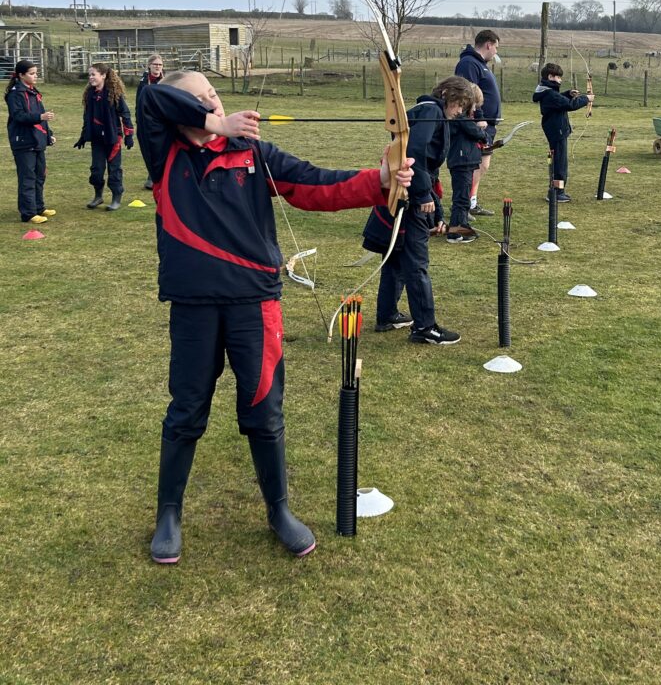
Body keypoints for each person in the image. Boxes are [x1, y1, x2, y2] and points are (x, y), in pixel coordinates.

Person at [137, 70, 414, 563]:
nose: (215, 104)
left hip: (254, 303)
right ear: (182, 112)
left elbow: (313, 185)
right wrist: (217, 126)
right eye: (201, 100)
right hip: (194, 304)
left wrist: (381, 181)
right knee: (186, 412)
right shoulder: (164, 152)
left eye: (215, 94)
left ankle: (279, 510)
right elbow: (153, 98)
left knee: (264, 410)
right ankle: (169, 514)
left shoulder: (254, 155)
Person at [364, 75, 476, 345]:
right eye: (460, 104)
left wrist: (437, 212)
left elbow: (426, 164)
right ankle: (425, 327)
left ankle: (387, 314)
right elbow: (414, 153)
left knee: (397, 256)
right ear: (447, 94)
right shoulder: (431, 110)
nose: (460, 111)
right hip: (410, 195)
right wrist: (423, 193)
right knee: (416, 263)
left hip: (409, 193)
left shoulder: (432, 112)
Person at [74, 63, 135, 211]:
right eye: (89, 75)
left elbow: (125, 114)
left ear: (103, 75)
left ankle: (116, 198)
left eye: (93, 74)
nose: (90, 78)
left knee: (114, 170)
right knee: (96, 170)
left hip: (112, 138)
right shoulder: (90, 95)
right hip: (96, 139)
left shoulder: (113, 94)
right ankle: (98, 196)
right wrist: (83, 136)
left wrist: (129, 135)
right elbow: (87, 117)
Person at [454, 29, 501, 217]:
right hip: (478, 125)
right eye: (496, 47)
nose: (496, 52)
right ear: (488, 44)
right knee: (475, 165)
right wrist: (479, 117)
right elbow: (469, 93)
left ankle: (471, 202)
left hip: (487, 125)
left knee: (483, 165)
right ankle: (464, 205)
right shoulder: (468, 64)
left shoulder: (480, 64)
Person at [532, 62, 594, 202]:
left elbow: (560, 100)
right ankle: (557, 192)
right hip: (557, 131)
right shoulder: (549, 94)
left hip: (556, 129)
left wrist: (568, 93)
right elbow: (569, 105)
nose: (560, 80)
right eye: (558, 77)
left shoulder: (547, 91)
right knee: (560, 162)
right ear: (550, 77)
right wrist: (586, 99)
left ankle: (556, 190)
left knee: (559, 160)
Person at [5, 59, 56, 224]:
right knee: (27, 177)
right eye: (32, 74)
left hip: (37, 140)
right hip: (23, 141)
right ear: (21, 75)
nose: (35, 76)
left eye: (36, 73)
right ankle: (28, 213)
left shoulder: (34, 92)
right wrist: (40, 117)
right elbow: (18, 116)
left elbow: (42, 116)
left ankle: (39, 207)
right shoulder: (15, 94)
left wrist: (49, 135)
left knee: (40, 175)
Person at [445, 84, 487, 243]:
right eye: (475, 105)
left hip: (466, 161)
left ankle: (462, 225)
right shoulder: (461, 119)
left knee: (463, 197)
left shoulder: (464, 118)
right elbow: (475, 132)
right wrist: (482, 132)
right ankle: (455, 232)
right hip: (461, 161)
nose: (476, 109)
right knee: (461, 198)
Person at [136, 54, 164, 190]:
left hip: (163, 120)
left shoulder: (166, 81)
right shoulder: (143, 82)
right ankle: (152, 176)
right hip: (147, 119)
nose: (157, 67)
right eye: (155, 64)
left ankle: (156, 177)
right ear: (149, 66)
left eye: (160, 65)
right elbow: (139, 102)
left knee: (161, 148)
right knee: (150, 149)